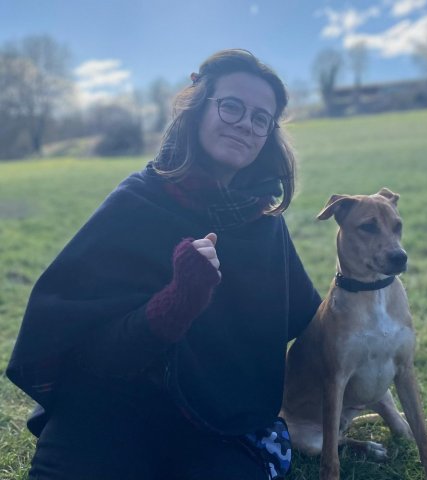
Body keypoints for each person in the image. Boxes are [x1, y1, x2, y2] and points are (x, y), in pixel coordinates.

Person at [7, 49, 321, 480]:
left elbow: (307, 319)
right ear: (197, 108)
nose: (246, 124)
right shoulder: (137, 202)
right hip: (108, 411)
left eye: (260, 117)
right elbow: (93, 358)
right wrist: (177, 302)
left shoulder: (264, 224)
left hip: (219, 425)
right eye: (231, 106)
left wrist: (364, 291)